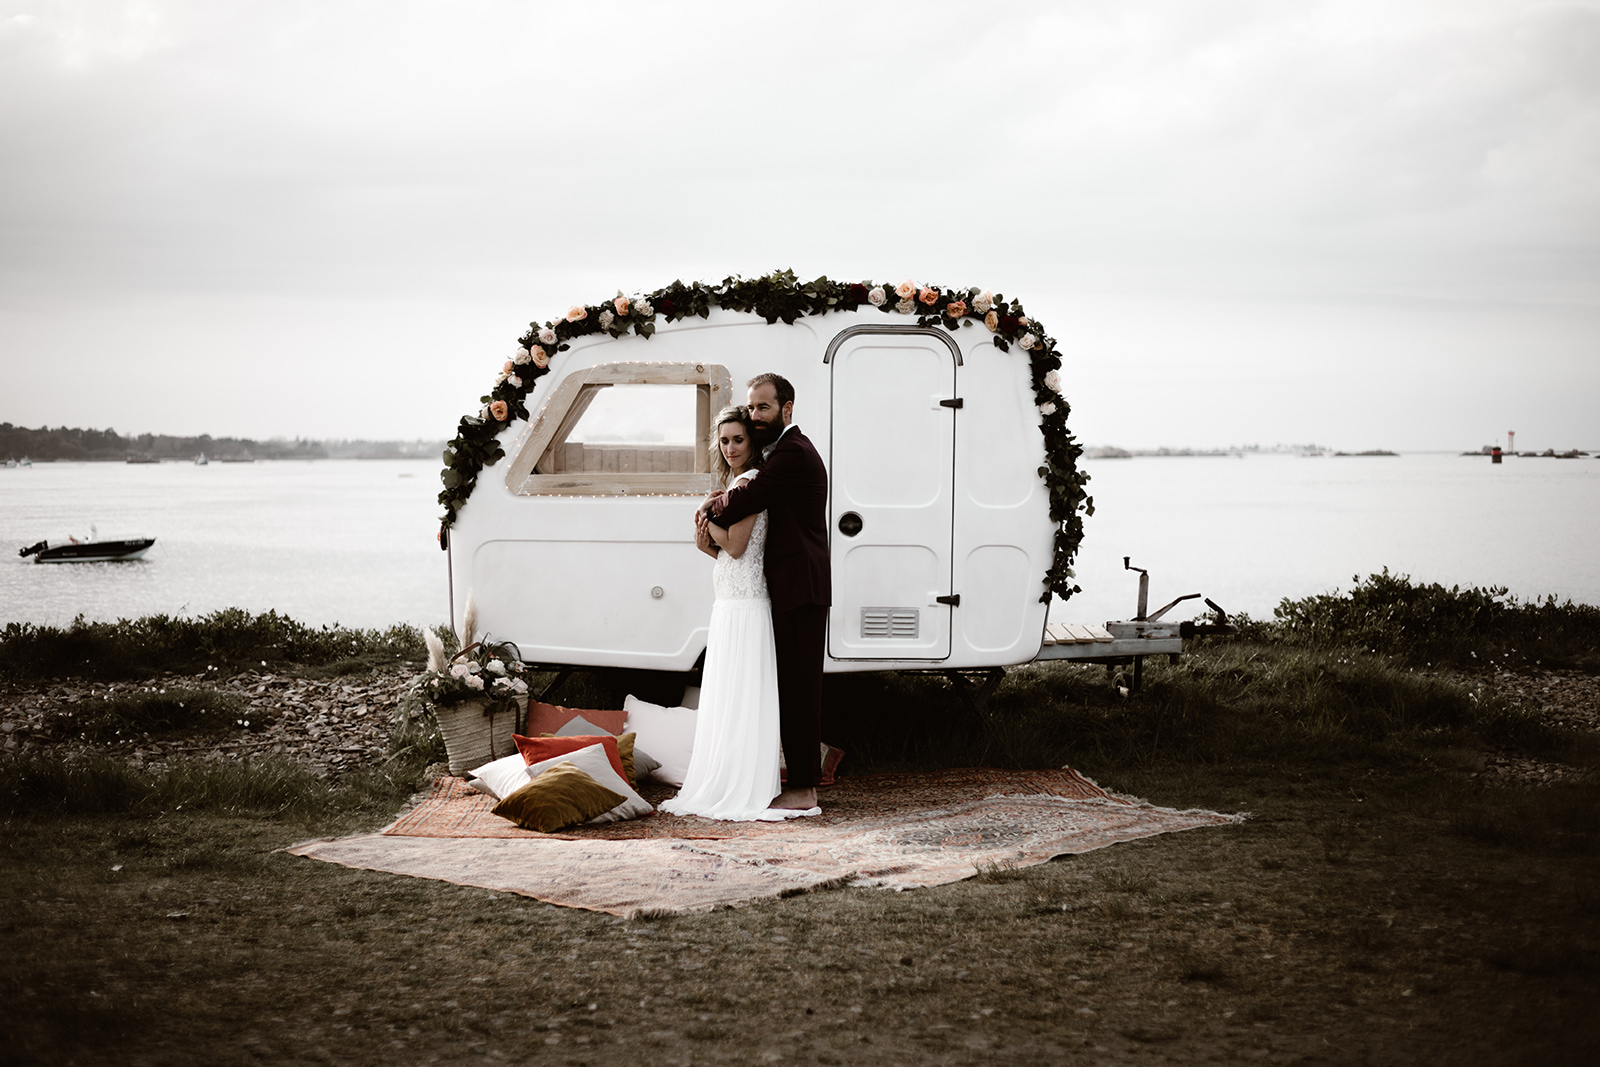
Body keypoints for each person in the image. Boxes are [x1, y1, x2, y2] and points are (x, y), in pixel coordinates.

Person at [660, 405, 817, 821]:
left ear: (752, 442)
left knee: (742, 694)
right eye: (724, 440)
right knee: (729, 693)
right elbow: (719, 552)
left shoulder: (750, 483)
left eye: (738, 440)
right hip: (730, 601)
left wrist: (706, 517)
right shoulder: (735, 485)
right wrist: (705, 536)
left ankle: (741, 781)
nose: (730, 448)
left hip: (747, 605)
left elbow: (736, 546)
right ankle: (727, 773)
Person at [707, 373, 830, 811]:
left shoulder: (793, 453)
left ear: (787, 408)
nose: (757, 416)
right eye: (752, 407)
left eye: (764, 408)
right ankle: (798, 781)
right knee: (792, 687)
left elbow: (745, 500)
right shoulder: (784, 451)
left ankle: (803, 788)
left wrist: (709, 506)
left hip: (800, 588)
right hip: (794, 586)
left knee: (799, 690)